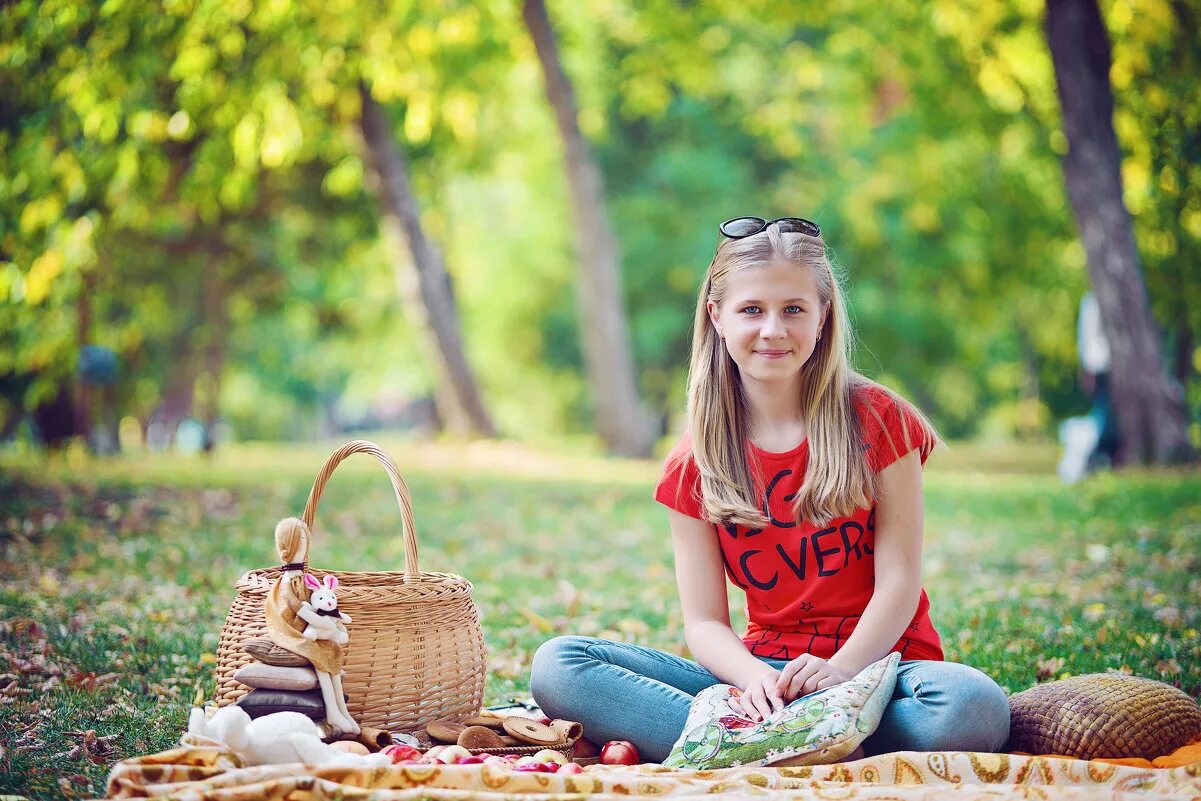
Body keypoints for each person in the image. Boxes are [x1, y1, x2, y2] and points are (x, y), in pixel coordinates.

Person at [530, 217, 1010, 762]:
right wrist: (755, 679)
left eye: (794, 310)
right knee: (560, 664)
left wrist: (842, 671)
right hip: (768, 682)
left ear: (823, 316)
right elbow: (706, 623)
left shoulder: (879, 420)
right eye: (752, 310)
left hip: (884, 669)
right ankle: (808, 744)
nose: (773, 330)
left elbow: (899, 580)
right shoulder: (695, 462)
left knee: (972, 707)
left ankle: (754, 750)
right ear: (717, 316)